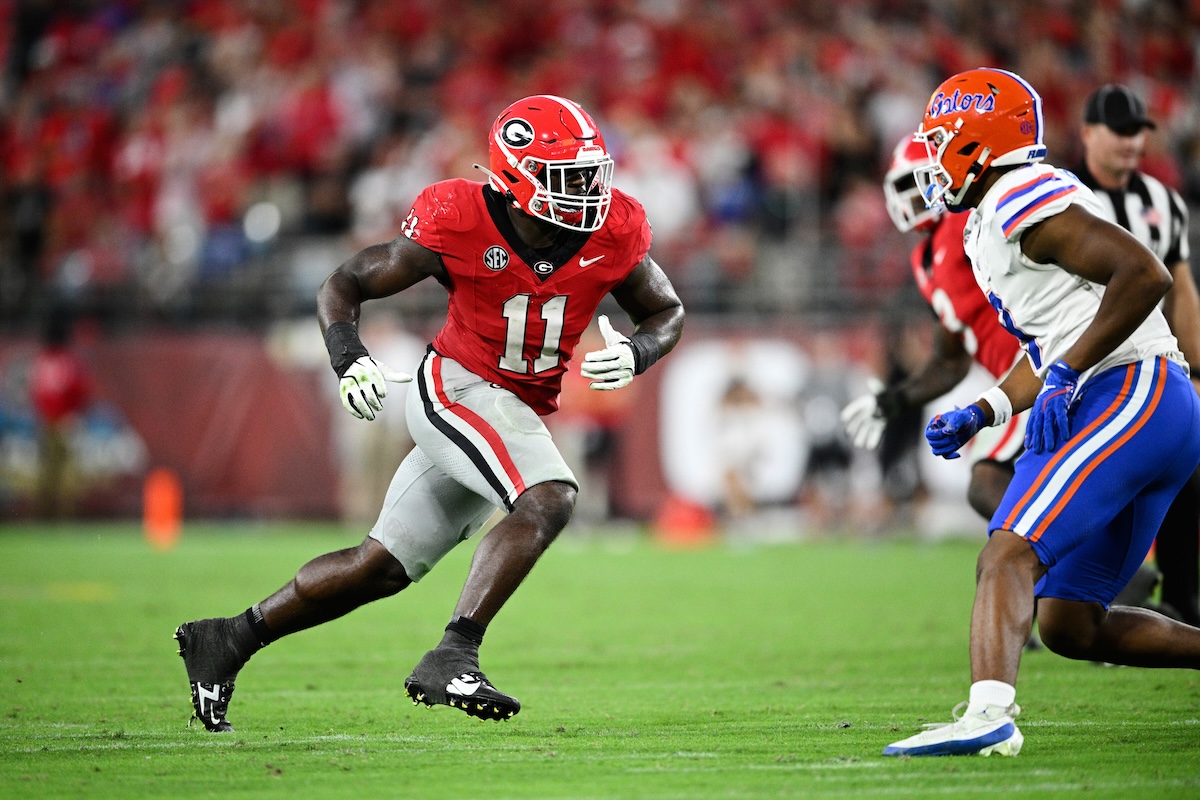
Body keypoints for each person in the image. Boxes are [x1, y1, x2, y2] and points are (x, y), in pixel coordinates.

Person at [174, 95, 685, 732]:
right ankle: (454, 654)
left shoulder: (614, 228)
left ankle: (226, 640)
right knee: (550, 496)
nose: (587, 192)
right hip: (457, 388)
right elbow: (345, 282)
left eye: (590, 175)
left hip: (511, 408)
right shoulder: (460, 216)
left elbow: (665, 311)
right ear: (517, 176)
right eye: (568, 177)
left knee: (378, 569)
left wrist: (638, 351)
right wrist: (348, 356)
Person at [882, 68, 1200, 758]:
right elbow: (1050, 341)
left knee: (1008, 551)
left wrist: (1068, 370)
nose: (933, 160)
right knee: (1069, 625)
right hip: (1140, 400)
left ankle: (988, 715)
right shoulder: (988, 219)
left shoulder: (1018, 192)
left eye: (940, 143)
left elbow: (1144, 274)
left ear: (977, 144)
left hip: (1133, 388)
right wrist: (987, 407)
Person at [841, 136, 1028, 522]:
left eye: (918, 182)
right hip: (1011, 385)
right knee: (999, 485)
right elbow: (949, 363)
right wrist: (892, 401)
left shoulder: (967, 219)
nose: (911, 198)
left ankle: (1071, 557)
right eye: (903, 187)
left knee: (989, 482)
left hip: (1035, 367)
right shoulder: (923, 261)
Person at [1074, 85, 1200, 626]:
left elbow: (1183, 290)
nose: (1132, 142)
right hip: (1085, 370)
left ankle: (1181, 598)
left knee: (1183, 474)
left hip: (1154, 368)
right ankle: (1079, 599)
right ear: (1087, 133)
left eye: (1138, 132)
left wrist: (1197, 368)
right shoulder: (1065, 199)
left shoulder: (1163, 203)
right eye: (1120, 131)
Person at [29, 307, 92, 519]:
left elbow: (36, 392)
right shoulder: (68, 361)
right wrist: (73, 415)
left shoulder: (42, 361)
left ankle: (45, 516)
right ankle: (64, 517)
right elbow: (80, 390)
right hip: (64, 421)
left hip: (47, 421)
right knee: (66, 473)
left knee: (47, 472)